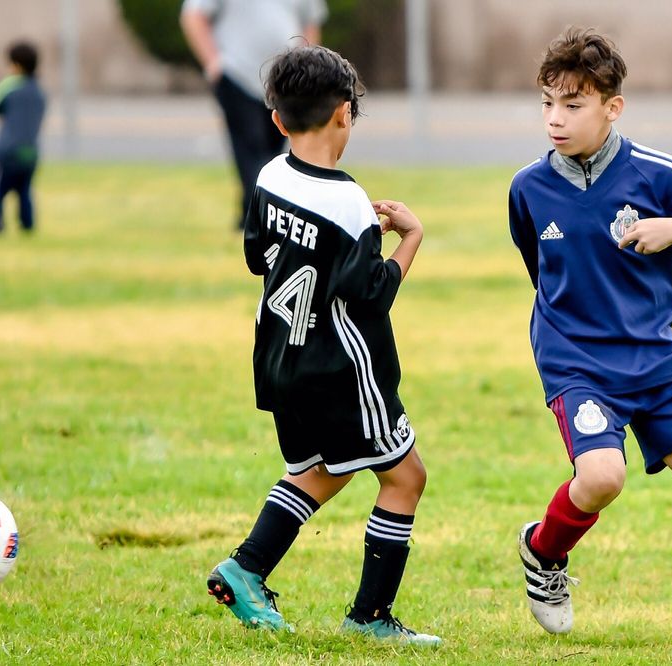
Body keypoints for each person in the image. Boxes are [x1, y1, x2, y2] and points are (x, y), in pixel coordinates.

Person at [508, 28, 672, 640]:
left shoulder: (656, 174)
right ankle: (543, 553)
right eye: (547, 103)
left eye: (573, 105)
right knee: (600, 477)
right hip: (577, 363)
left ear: (611, 107)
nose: (555, 119)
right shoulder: (528, 188)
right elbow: (540, 271)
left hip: (655, 363)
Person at [205, 45, 440, 646]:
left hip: (281, 360)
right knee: (405, 477)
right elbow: (371, 297)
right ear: (345, 113)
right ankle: (369, 617)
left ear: (278, 120)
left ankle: (247, 568)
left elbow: (258, 255)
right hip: (341, 368)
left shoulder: (267, 175)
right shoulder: (349, 202)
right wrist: (409, 237)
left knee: (321, 470)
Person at [180, 0, 328, 230]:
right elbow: (193, 16)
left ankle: (252, 214)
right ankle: (261, 221)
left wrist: (306, 68)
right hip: (238, 76)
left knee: (273, 151)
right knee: (251, 146)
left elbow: (310, 21)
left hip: (286, 82)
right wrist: (214, 65)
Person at [0, 41, 46, 235]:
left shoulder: (11, 88)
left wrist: (7, 83)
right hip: (30, 152)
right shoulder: (40, 93)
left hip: (7, 152)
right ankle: (27, 226)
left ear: (17, 66)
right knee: (24, 191)